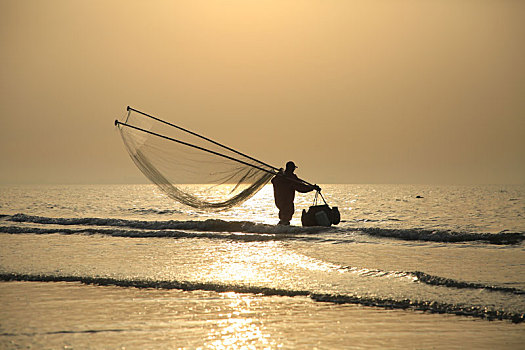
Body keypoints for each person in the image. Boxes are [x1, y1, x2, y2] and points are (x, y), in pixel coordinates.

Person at [271, 161, 320, 225]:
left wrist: (312, 187)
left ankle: (282, 227)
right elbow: (301, 187)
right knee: (286, 215)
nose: (294, 170)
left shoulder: (283, 177)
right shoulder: (286, 178)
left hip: (279, 201)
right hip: (286, 201)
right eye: (293, 168)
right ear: (291, 168)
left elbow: (300, 184)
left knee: (284, 216)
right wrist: (311, 188)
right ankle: (284, 227)